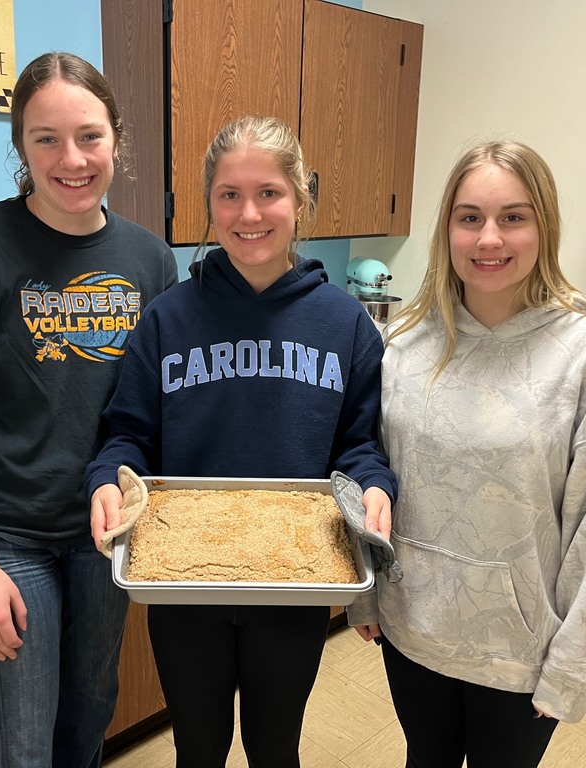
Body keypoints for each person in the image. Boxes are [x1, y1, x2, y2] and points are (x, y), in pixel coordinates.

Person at [85, 115, 398, 768]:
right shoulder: (168, 319)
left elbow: (359, 447)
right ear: (209, 203)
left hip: (293, 589)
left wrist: (374, 487)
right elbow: (126, 438)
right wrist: (108, 481)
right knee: (197, 748)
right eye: (229, 194)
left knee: (275, 747)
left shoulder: (345, 327)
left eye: (268, 193)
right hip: (183, 590)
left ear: (300, 200)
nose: (248, 212)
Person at [0, 52, 178, 768]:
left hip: (104, 536)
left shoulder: (150, 261)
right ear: (20, 147)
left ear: (117, 138)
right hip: (8, 540)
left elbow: (150, 407)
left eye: (89, 136)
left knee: (87, 719)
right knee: (19, 743)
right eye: (45, 138)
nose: (72, 159)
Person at [348, 141, 586, 768]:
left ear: (544, 226)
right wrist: (366, 593)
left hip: (520, 649)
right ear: (446, 230)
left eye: (513, 216)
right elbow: (373, 477)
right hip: (414, 628)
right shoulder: (403, 343)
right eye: (469, 217)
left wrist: (575, 666)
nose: (489, 238)